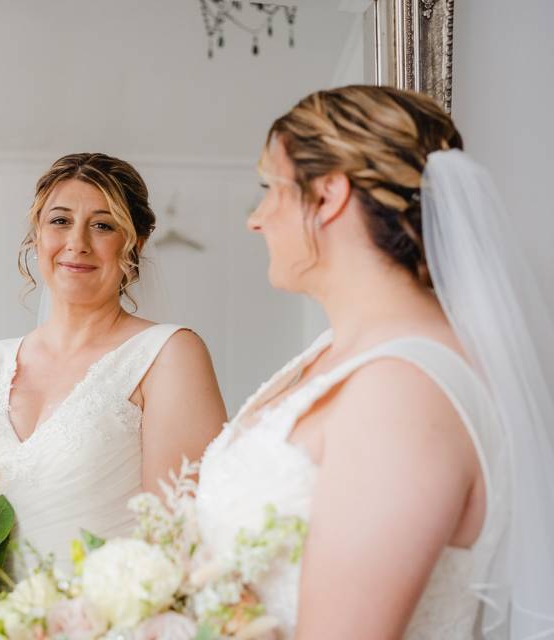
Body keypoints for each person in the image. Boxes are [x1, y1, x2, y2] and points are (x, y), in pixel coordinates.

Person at [197, 85, 554, 638]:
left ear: (329, 194)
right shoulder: (336, 355)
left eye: (270, 189)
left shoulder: (406, 393)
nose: (256, 219)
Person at [0, 152, 226, 571]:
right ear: (37, 236)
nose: (77, 242)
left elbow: (178, 538)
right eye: (60, 221)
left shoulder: (168, 354)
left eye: (102, 225)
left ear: (135, 243)